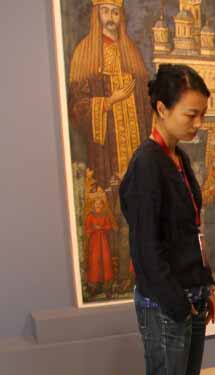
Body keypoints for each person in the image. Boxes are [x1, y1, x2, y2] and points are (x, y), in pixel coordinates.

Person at [119, 64, 215, 375]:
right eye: (191, 114)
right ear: (162, 108)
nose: (198, 123)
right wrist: (179, 304)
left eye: (202, 115)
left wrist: (206, 284)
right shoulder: (147, 164)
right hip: (166, 303)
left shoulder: (178, 158)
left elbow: (191, 231)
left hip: (191, 295)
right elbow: (146, 251)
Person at [69, 0, 151, 290]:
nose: (111, 18)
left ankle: (137, 273)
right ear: (97, 14)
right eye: (105, 11)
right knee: (108, 213)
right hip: (106, 152)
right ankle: (106, 276)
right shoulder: (85, 53)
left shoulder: (131, 52)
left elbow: (146, 103)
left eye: (115, 11)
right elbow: (77, 107)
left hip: (135, 149)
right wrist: (110, 101)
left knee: (138, 215)